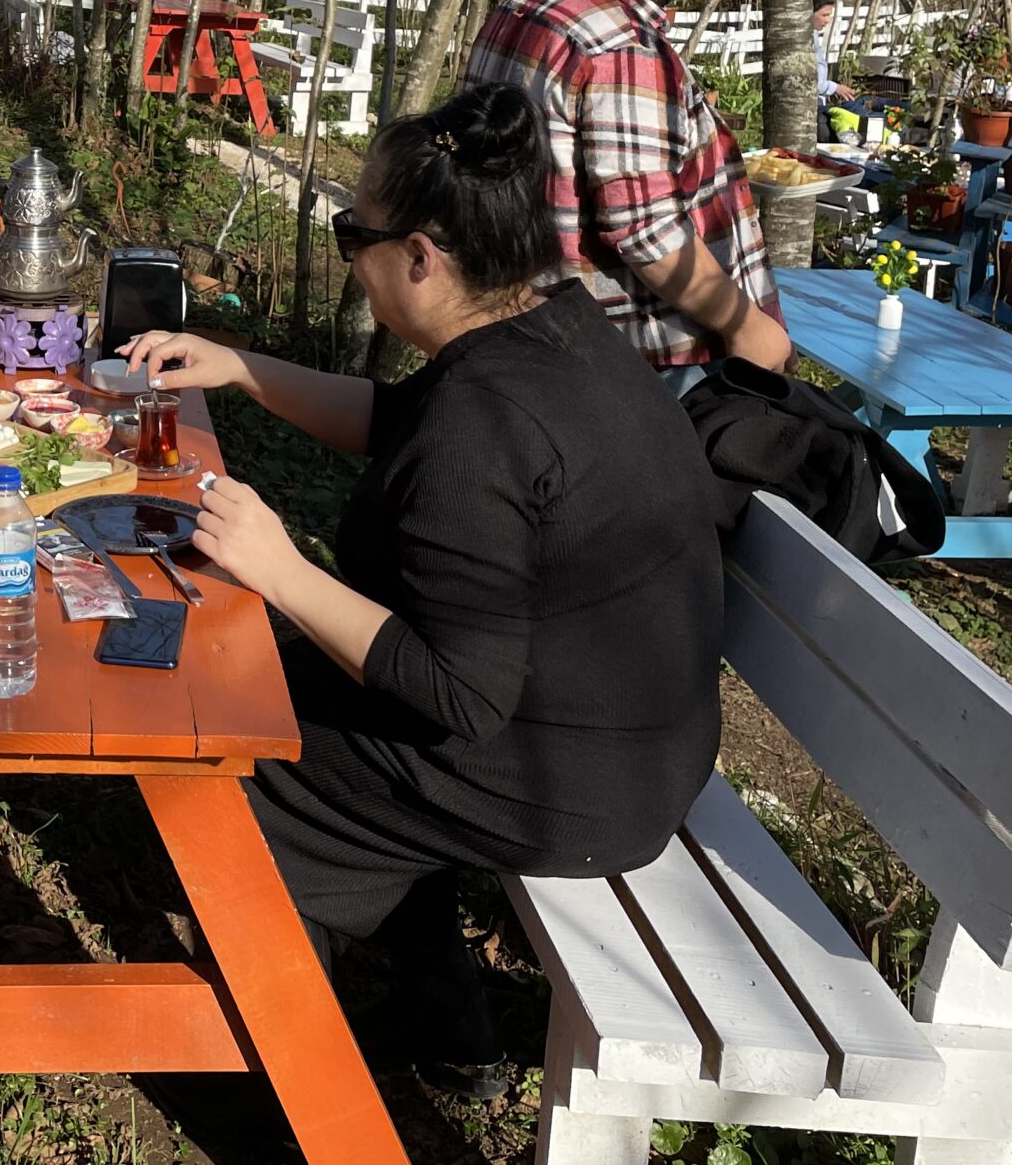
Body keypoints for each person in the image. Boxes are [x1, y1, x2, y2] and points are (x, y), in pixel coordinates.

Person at [122, 83, 729, 1090]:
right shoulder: (551, 331)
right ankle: (445, 1025)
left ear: (421, 256)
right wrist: (239, 368)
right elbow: (403, 421)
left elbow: (458, 692)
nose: (350, 257)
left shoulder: (484, 422)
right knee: (297, 692)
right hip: (631, 745)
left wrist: (278, 569)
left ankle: (282, 1070)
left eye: (353, 234)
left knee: (239, 747)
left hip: (568, 788)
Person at [468, 0, 790, 382]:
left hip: (527, 313)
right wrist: (744, 325)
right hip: (627, 352)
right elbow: (645, 229)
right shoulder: (620, 42)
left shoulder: (526, 5)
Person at [813, 0, 856, 137]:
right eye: (825, 15)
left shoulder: (813, 35)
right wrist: (836, 88)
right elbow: (813, 82)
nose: (828, 20)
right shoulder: (805, 40)